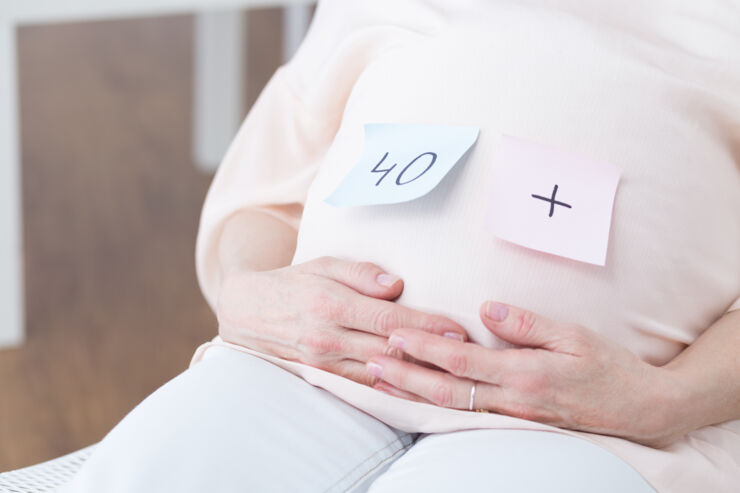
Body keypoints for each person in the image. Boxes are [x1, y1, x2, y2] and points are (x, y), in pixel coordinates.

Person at [61, 0, 740, 491]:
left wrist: (661, 401)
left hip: (597, 431)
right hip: (308, 372)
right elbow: (263, 195)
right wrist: (249, 296)